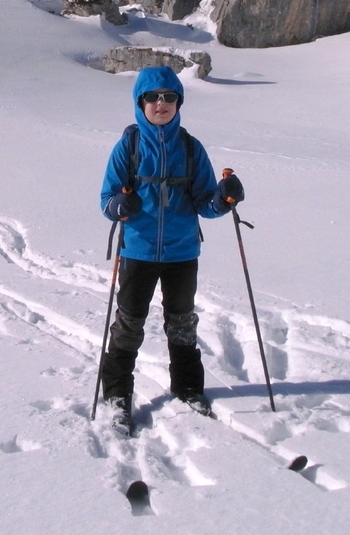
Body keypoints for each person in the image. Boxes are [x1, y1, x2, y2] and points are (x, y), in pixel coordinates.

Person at [99, 65, 243, 433]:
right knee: (129, 323)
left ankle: (189, 388)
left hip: (182, 252)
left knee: (182, 323)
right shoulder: (128, 146)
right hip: (138, 251)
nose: (161, 104)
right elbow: (107, 200)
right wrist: (120, 206)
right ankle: (117, 395)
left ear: (179, 103)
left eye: (170, 97)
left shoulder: (191, 148)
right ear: (140, 102)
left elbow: (205, 204)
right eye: (153, 97)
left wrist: (225, 199)